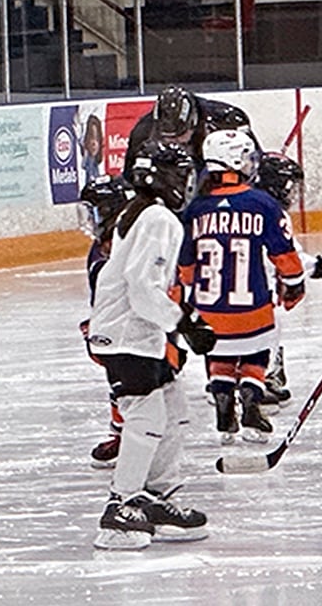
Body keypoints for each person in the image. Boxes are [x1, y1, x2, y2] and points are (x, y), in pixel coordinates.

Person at [86, 143, 215, 551]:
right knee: (145, 416)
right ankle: (121, 505)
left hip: (137, 333)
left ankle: (155, 495)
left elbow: (144, 284)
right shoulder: (158, 218)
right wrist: (183, 322)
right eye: (182, 174)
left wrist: (180, 320)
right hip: (128, 334)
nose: (188, 183)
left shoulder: (140, 212)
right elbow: (142, 287)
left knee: (173, 409)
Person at [178, 130, 305, 445]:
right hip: (252, 308)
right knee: (257, 353)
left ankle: (223, 404)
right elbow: (284, 254)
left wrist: (191, 289)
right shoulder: (262, 203)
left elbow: (186, 264)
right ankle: (250, 401)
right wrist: (294, 283)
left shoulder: (195, 208)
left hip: (209, 310)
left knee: (219, 355)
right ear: (235, 161)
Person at [252, 151, 322, 406]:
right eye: (288, 185)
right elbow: (285, 255)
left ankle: (228, 381)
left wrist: (318, 267)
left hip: (223, 287)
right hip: (258, 287)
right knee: (269, 324)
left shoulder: (243, 203)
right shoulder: (273, 212)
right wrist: (317, 269)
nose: (292, 192)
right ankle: (263, 378)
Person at [77, 175, 136, 469]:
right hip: (113, 325)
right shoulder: (102, 245)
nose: (90, 219)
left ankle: (134, 437)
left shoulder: (132, 242)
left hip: (136, 327)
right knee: (118, 380)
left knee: (133, 383)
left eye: (95, 211)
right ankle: (122, 433)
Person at [126, 85, 255, 171]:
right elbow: (130, 176)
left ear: (193, 123)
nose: (175, 143)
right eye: (168, 138)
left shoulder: (226, 121)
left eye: (180, 136)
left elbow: (254, 162)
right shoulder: (143, 132)